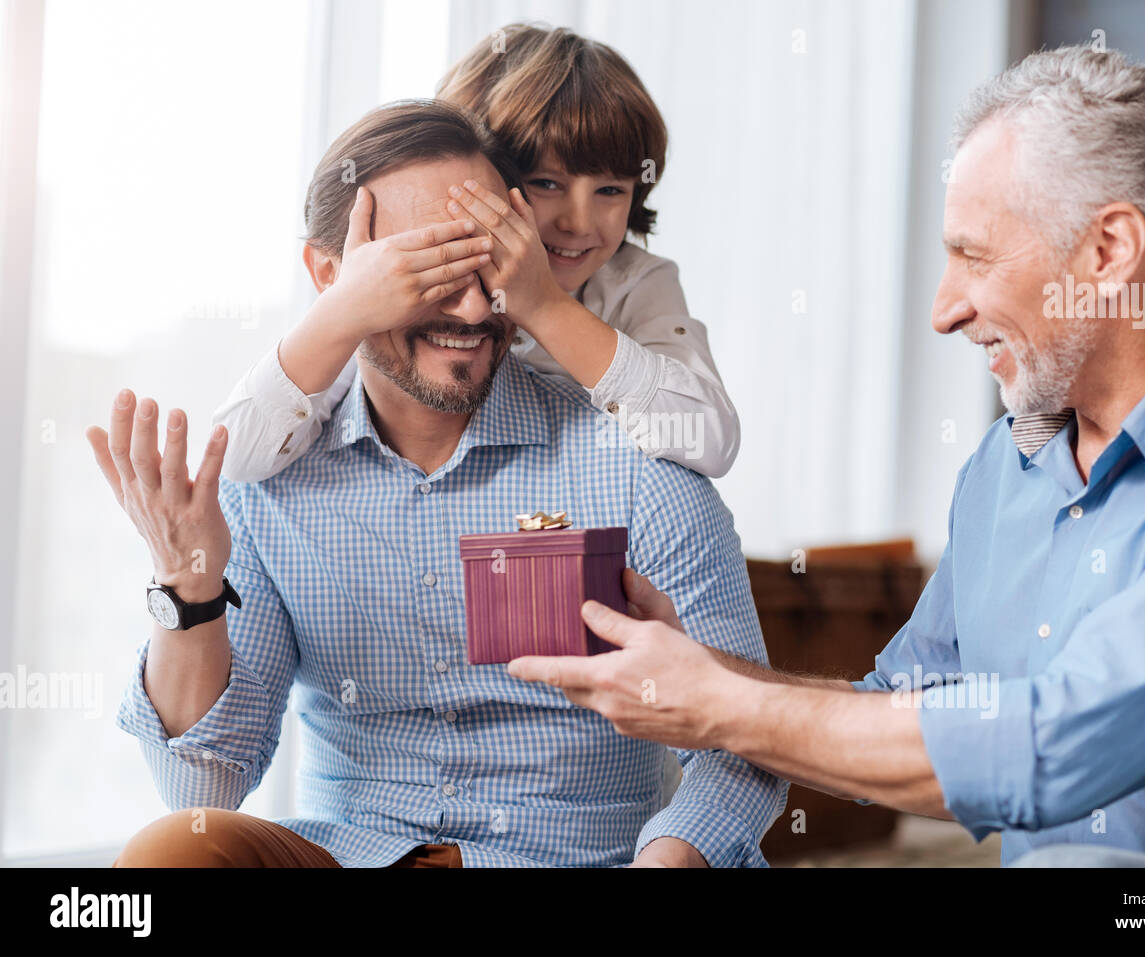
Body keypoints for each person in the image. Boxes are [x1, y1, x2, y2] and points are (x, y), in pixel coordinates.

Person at [510, 45, 1145, 867]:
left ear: (1107, 253)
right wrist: (697, 670)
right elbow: (902, 707)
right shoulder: (1006, 466)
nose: (944, 309)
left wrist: (716, 706)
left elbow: (1055, 745)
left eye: (976, 255)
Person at [86, 99, 785, 868]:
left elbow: (747, 741)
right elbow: (200, 784)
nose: (470, 303)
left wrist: (671, 859)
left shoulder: (638, 462)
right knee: (169, 854)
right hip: (356, 851)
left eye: (489, 263)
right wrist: (187, 588)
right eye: (425, 268)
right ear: (331, 274)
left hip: (581, 856)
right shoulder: (268, 481)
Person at [215, 23, 740, 483]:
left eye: (611, 190)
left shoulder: (635, 281)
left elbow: (709, 441)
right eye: (545, 183)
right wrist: (344, 311)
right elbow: (237, 457)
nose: (579, 223)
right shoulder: (406, 293)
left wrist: (545, 306)